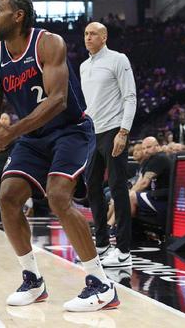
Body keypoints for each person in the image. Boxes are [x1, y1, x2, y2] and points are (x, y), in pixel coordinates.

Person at [0, 0, 118, 312]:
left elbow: (58, 101)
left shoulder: (48, 43)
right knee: (7, 196)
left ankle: (101, 284)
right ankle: (33, 280)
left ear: (19, 15)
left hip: (70, 130)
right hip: (32, 136)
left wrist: (11, 132)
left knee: (58, 196)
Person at [80, 21, 137, 268]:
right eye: (86, 34)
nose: (88, 37)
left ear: (104, 37)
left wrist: (124, 131)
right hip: (92, 133)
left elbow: (130, 96)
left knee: (117, 188)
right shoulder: (83, 66)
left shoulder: (118, 59)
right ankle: (102, 244)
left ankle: (124, 251)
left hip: (114, 130)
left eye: (93, 34)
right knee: (92, 188)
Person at [128, 137, 171, 225]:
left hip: (163, 199)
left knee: (130, 196)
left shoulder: (160, 158)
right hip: (154, 195)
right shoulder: (150, 160)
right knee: (121, 196)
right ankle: (110, 225)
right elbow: (140, 182)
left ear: (157, 146)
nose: (146, 151)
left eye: (148, 147)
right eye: (144, 148)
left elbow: (144, 184)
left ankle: (124, 229)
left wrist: (128, 194)